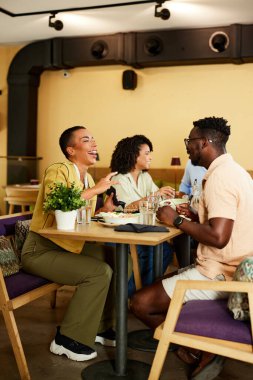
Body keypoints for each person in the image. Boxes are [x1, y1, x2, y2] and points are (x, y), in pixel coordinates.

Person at [130, 117, 253, 379]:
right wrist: (199, 219)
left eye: (190, 141)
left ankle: (198, 347)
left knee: (140, 303)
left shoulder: (220, 178)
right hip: (234, 265)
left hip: (221, 273)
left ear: (204, 143)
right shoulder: (235, 171)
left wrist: (176, 220)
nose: (187, 147)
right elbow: (227, 225)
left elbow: (219, 237)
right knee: (162, 281)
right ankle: (202, 340)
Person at [21, 126, 131, 362]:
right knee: (99, 272)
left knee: (121, 260)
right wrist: (95, 191)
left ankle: (101, 326)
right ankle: (67, 338)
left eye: (94, 139)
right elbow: (55, 202)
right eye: (86, 140)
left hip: (68, 244)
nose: (94, 144)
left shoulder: (88, 178)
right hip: (41, 249)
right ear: (71, 150)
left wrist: (104, 209)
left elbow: (80, 219)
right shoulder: (57, 170)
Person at [110, 135, 175, 295]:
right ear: (133, 155)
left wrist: (164, 197)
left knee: (165, 249)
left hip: (141, 229)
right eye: (146, 153)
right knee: (155, 250)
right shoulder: (119, 179)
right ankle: (127, 294)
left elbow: (155, 201)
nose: (150, 157)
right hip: (121, 232)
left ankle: (138, 292)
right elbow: (126, 208)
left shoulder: (145, 177)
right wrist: (155, 195)